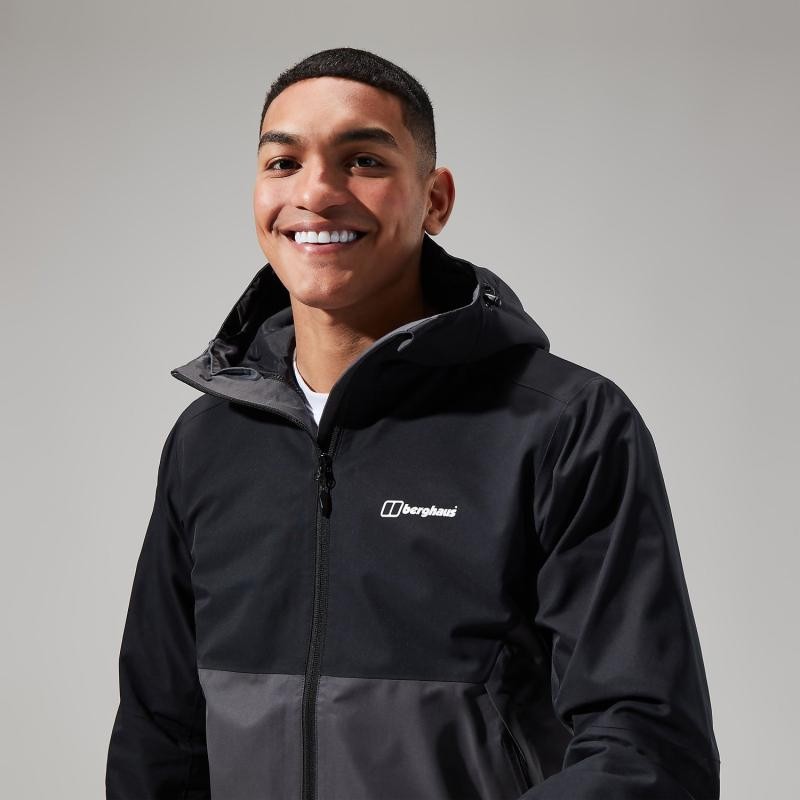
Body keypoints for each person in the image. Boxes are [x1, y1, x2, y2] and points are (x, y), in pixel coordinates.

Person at [105, 47, 721, 800]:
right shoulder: (208, 441)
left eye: (363, 161)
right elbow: (157, 738)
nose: (316, 192)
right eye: (284, 163)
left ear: (435, 199)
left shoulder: (562, 427)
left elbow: (647, 745)